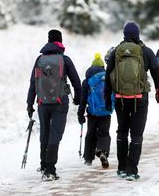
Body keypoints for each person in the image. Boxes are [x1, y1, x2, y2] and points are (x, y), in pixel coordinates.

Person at [104, 21, 159, 181]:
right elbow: (157, 71)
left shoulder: (116, 51)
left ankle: (121, 168)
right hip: (140, 98)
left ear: (124, 34)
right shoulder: (146, 51)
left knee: (122, 132)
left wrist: (107, 99)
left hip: (120, 98)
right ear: (138, 34)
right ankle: (131, 170)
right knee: (136, 135)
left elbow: (107, 76)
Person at [26, 29, 81, 181]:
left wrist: (30, 104)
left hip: (42, 103)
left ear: (48, 41)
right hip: (60, 102)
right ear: (60, 42)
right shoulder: (65, 60)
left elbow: (33, 84)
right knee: (55, 135)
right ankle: (50, 170)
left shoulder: (39, 60)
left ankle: (44, 165)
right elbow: (77, 82)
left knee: (44, 134)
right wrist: (78, 99)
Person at [77, 53, 112, 169]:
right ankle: (103, 152)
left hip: (92, 112)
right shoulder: (108, 77)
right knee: (104, 133)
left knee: (91, 133)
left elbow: (83, 100)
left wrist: (80, 114)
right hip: (106, 111)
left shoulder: (87, 81)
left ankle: (88, 158)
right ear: (103, 67)